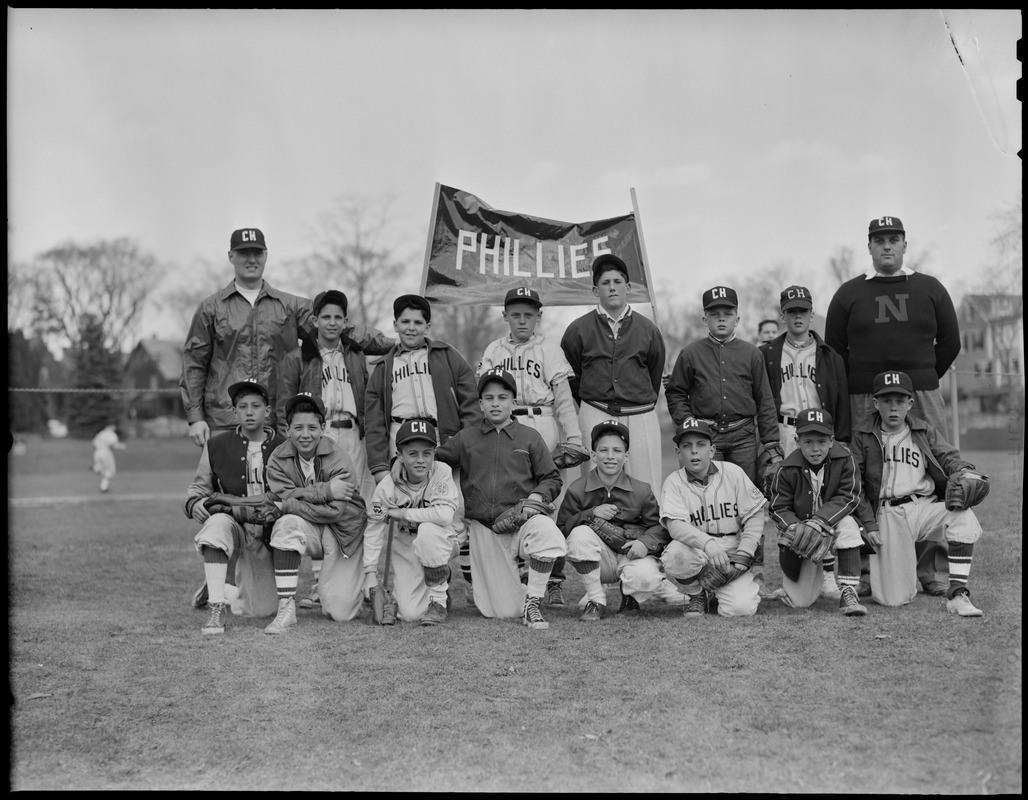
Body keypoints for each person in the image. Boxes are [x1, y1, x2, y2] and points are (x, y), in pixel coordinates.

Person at [825, 215, 962, 597]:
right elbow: (835, 352)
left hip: (921, 393)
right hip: (861, 395)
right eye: (879, 240)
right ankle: (865, 566)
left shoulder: (929, 287)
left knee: (934, 471)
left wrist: (922, 377)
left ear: (905, 245)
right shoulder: (848, 294)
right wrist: (860, 385)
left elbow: (950, 341)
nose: (887, 246)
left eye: (894, 239)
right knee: (865, 474)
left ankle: (932, 568)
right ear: (868, 246)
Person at [277, 288, 393, 610]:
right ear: (313, 320)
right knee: (322, 502)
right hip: (319, 436)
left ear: (346, 321)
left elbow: (387, 344)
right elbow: (282, 407)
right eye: (325, 317)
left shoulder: (354, 353)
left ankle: (365, 579)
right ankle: (319, 584)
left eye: (338, 317)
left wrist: (349, 330)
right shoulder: (298, 358)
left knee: (359, 506)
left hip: (354, 433)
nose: (331, 322)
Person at [665, 285, 781, 598]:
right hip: (706, 436)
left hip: (743, 434)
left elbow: (765, 400)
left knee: (749, 506)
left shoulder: (751, 353)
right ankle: (702, 569)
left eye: (727, 313)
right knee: (702, 501)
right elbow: (675, 392)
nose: (721, 318)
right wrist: (689, 425)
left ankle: (752, 574)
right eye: (714, 313)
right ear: (704, 318)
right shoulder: (691, 352)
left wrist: (771, 444)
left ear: (737, 317)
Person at [433, 368, 567, 630]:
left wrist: (536, 497)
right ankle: (494, 575)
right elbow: (435, 459)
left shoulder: (530, 437)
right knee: (501, 611)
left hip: (521, 520)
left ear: (513, 403)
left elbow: (551, 478)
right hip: (485, 529)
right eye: (489, 398)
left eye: (503, 397)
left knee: (549, 533)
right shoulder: (467, 437)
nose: (496, 403)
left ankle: (533, 603)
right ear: (480, 403)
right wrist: (399, 461)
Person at [477, 286, 583, 608]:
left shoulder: (549, 348)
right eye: (516, 314)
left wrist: (575, 438)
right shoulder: (493, 350)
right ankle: (518, 576)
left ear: (539, 316)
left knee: (548, 502)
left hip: (543, 421)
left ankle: (553, 580)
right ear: (505, 315)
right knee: (511, 499)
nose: (522, 320)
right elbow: (480, 397)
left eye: (529, 314)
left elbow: (564, 400)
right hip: (505, 427)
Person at [849, 371, 985, 617]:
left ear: (910, 404)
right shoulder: (863, 435)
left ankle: (958, 594)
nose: (893, 407)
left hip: (922, 507)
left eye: (899, 401)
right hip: (887, 514)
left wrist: (964, 470)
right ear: (875, 403)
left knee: (963, 516)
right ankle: (900, 578)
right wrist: (869, 524)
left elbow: (948, 457)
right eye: (887, 401)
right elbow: (854, 485)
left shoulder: (923, 430)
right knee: (892, 599)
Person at [759, 285, 850, 599]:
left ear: (812, 314)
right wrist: (769, 442)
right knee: (787, 504)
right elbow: (761, 400)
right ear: (783, 315)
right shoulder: (767, 353)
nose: (797, 317)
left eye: (803, 311)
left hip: (819, 433)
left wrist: (842, 440)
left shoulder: (828, 355)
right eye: (791, 311)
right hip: (785, 431)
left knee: (822, 501)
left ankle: (827, 574)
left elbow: (839, 401)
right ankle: (793, 576)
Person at [263, 393, 369, 634]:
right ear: (287, 428)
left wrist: (291, 503)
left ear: (323, 428)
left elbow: (334, 512)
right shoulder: (278, 459)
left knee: (342, 613)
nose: (305, 434)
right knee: (286, 525)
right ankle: (286, 608)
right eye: (298, 427)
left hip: (343, 533)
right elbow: (281, 497)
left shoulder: (338, 456)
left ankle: (351, 587)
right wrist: (327, 490)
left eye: (312, 427)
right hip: (309, 529)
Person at [560, 253, 666, 493]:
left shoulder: (648, 329)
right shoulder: (578, 329)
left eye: (617, 282)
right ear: (596, 290)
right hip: (595, 409)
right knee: (595, 483)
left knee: (646, 482)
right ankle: (593, 529)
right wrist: (592, 400)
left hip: (639, 411)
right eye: (605, 283)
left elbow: (654, 372)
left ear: (628, 287)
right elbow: (572, 375)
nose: (612, 287)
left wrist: (636, 396)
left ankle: (649, 529)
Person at [184, 380, 284, 635]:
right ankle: (216, 608)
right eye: (243, 406)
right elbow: (198, 489)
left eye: (256, 406)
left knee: (261, 610)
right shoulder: (216, 446)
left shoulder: (284, 445)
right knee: (215, 525)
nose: (249, 412)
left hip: (268, 531)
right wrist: (194, 503)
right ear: (235, 412)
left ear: (268, 411)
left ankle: (217, 585)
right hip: (235, 524)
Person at [559, 420, 674, 620]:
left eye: (617, 451)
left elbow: (660, 527)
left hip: (630, 555)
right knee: (578, 534)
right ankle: (596, 598)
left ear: (626, 456)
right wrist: (590, 513)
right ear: (593, 456)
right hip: (599, 559)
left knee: (647, 578)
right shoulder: (577, 489)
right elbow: (562, 529)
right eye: (603, 450)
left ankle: (630, 596)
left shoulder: (641, 489)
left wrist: (644, 543)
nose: (610, 456)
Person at [364, 293, 480, 482]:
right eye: (405, 322)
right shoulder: (383, 367)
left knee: (451, 505)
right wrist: (379, 467)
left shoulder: (448, 356)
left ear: (427, 327)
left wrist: (466, 445)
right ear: (395, 325)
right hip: (400, 441)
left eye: (418, 323)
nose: (411, 328)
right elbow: (374, 423)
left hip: (442, 439)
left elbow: (471, 405)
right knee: (404, 505)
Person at [767, 408, 872, 616]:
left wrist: (820, 520)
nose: (816, 449)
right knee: (800, 602)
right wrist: (795, 528)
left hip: (832, 525)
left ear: (832, 441)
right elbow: (778, 507)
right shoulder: (786, 468)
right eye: (808, 442)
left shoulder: (845, 459)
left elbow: (849, 496)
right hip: (802, 533)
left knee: (849, 524)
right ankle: (795, 586)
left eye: (822, 442)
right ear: (797, 441)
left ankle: (848, 592)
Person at [659, 418, 766, 618]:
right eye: (686, 446)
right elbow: (675, 526)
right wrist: (707, 543)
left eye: (701, 445)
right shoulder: (673, 482)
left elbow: (754, 514)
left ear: (712, 449)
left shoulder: (733, 472)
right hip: (696, 550)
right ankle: (697, 595)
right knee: (675, 554)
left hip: (732, 549)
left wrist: (746, 550)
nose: (694, 451)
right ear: (678, 452)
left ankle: (717, 593)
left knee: (741, 609)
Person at [362, 419, 463, 626]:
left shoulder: (441, 472)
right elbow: (374, 529)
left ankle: (439, 600)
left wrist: (402, 513)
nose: (420, 460)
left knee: (427, 530)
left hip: (443, 540)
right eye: (412, 454)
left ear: (434, 454)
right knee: (409, 614)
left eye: (427, 453)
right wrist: (370, 573)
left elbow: (443, 516)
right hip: (406, 544)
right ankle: (440, 577)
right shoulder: (387, 487)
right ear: (399, 456)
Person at [91, 423, 125, 493]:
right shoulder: (111, 434)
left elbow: (93, 444)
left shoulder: (101, 433)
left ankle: (97, 468)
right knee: (110, 471)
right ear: (110, 426)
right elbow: (113, 445)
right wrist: (121, 447)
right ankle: (104, 487)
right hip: (106, 452)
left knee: (103, 469)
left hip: (97, 452)